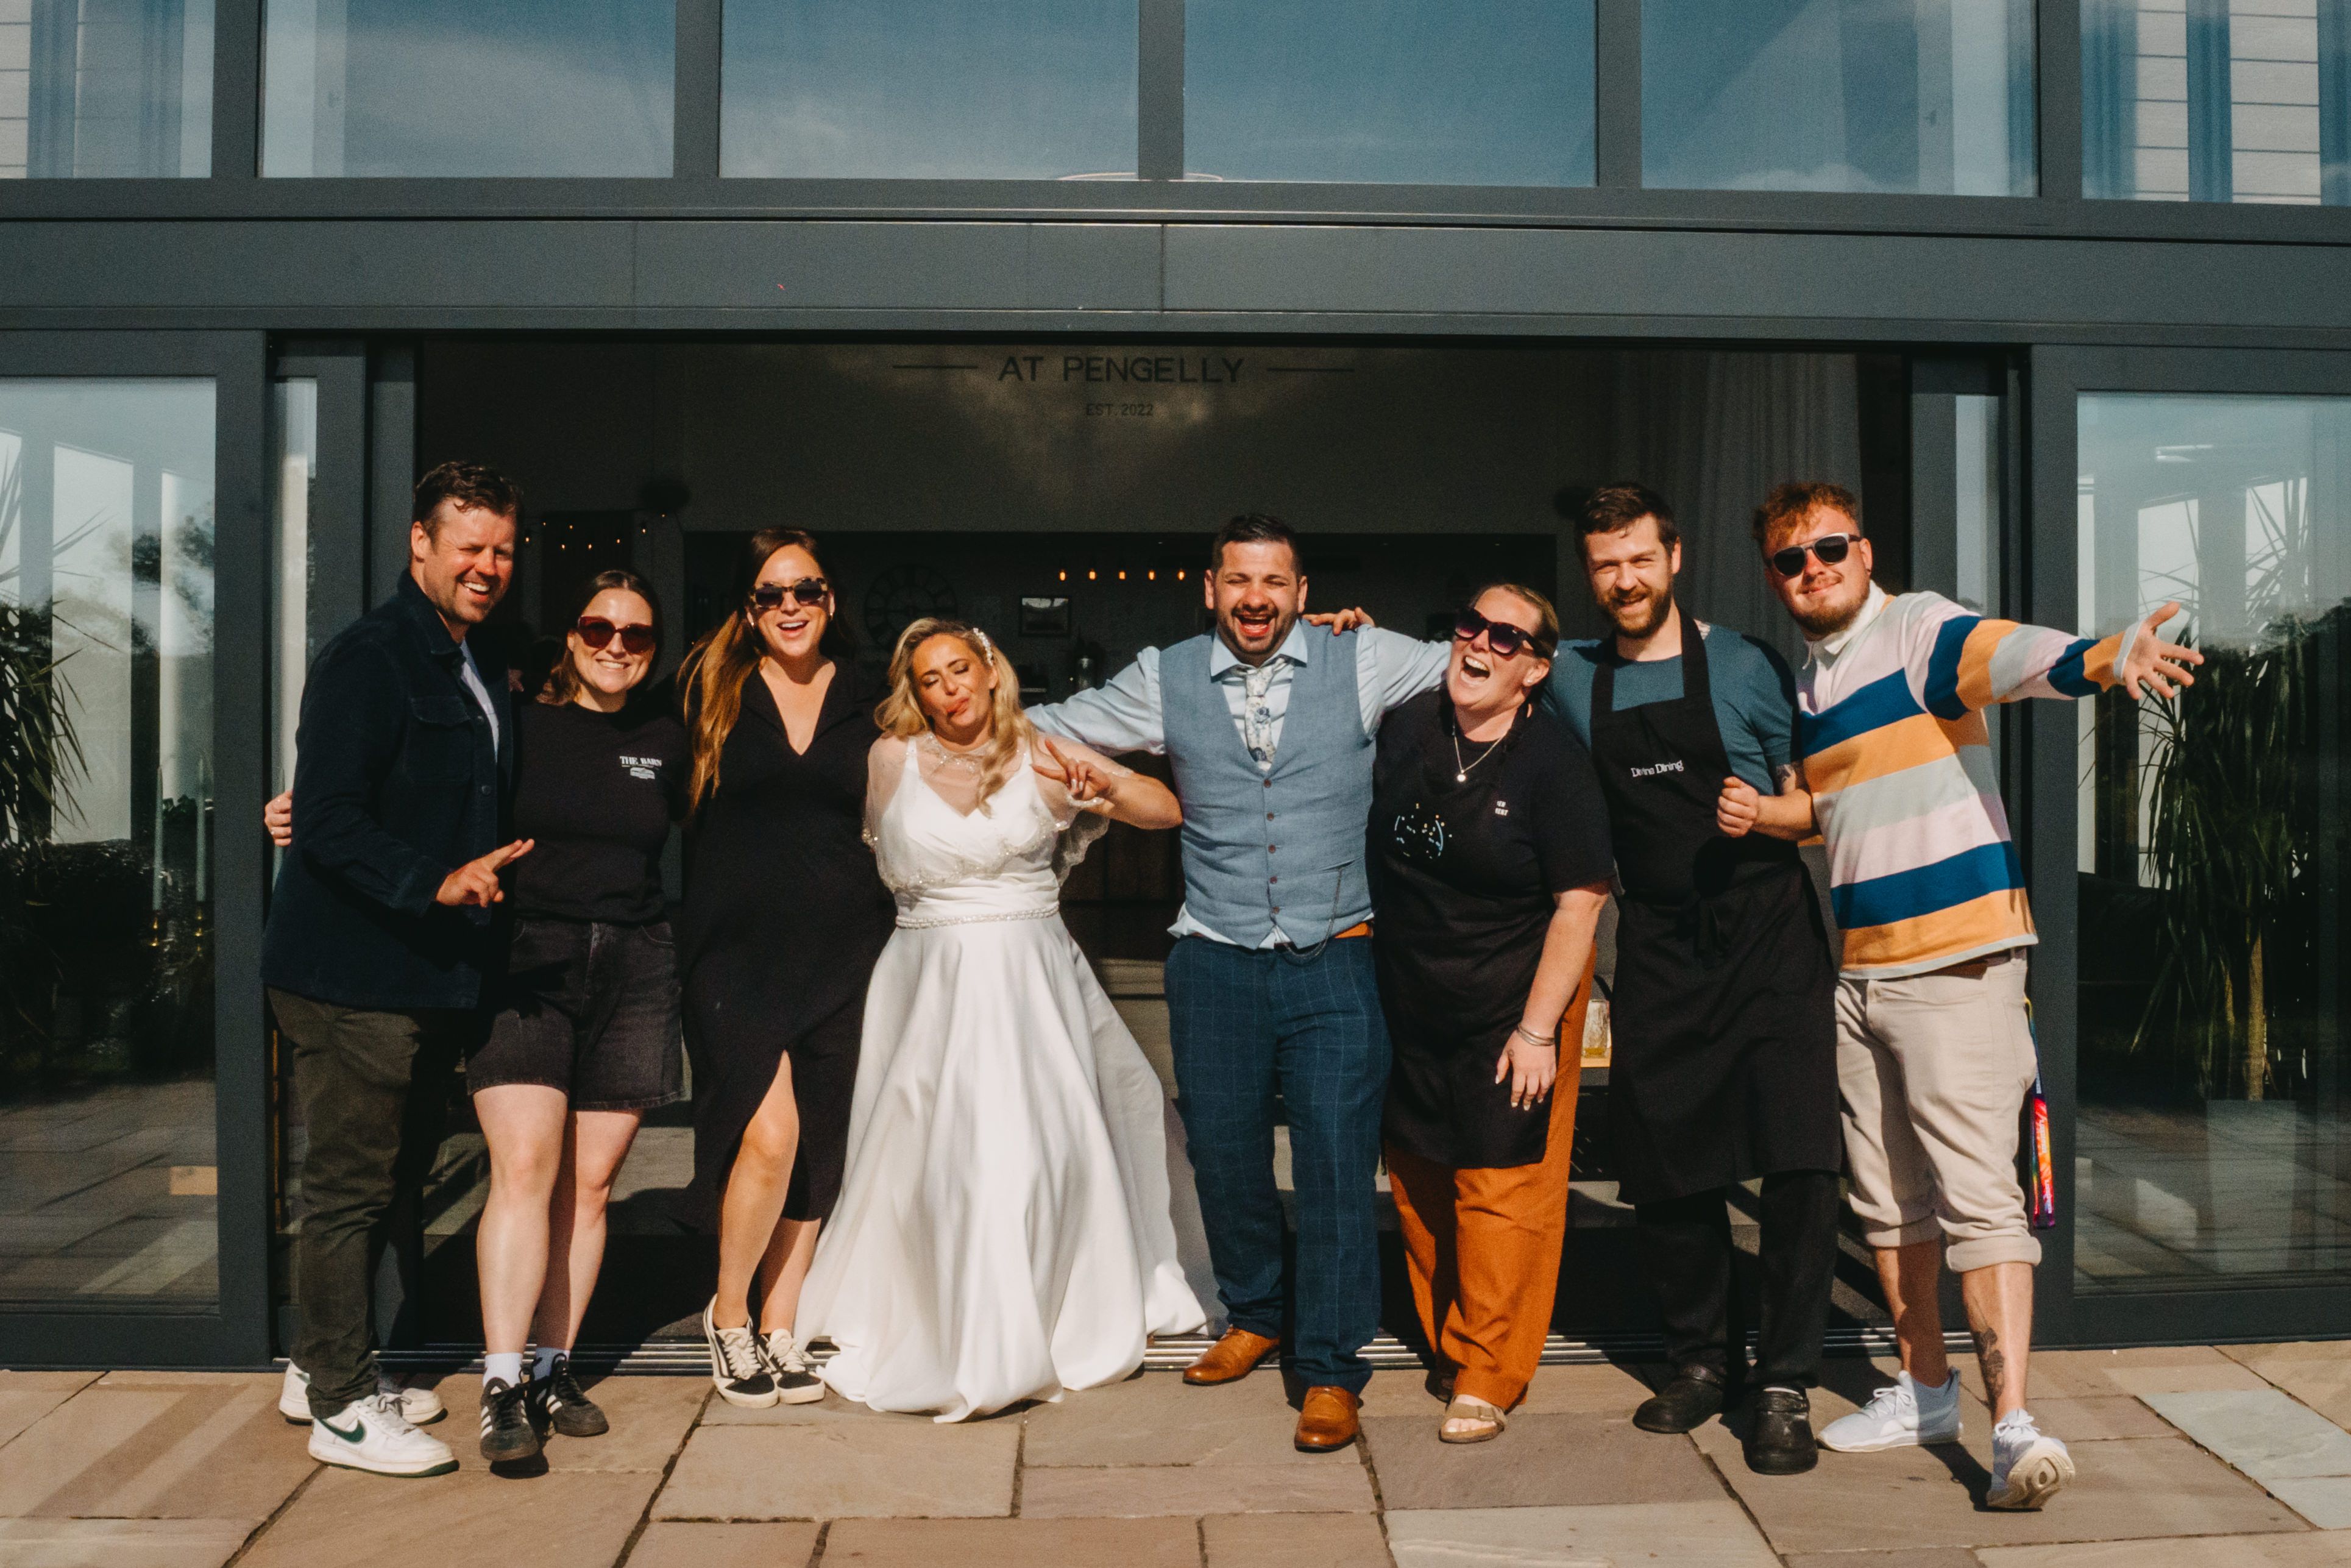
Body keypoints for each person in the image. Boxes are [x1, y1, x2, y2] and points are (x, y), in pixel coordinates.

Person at [1757, 481, 2200, 1509]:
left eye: (1829, 547)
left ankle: (2012, 1428)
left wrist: (2101, 657)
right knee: (1887, 1202)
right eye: (1791, 558)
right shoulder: (1813, 688)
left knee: (1980, 1204)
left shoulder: (1913, 630)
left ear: (1864, 551)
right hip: (1861, 972)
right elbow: (1847, 814)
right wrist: (1761, 814)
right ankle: (1921, 1392)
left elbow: (1997, 654)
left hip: (1957, 967)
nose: (1813, 567)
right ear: (1776, 577)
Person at [1031, 514, 1449, 1454]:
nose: (1254, 598)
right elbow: (1052, 725)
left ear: (1302, 592)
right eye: (1237, 580)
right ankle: (1255, 1312)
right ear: (1210, 588)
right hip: (1212, 954)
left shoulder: (1366, 654)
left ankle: (1332, 1367)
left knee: (1339, 1165)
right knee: (1222, 1154)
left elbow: (1478, 668)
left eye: (1274, 581)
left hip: (1335, 949)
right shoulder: (1163, 673)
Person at [268, 569, 691, 1462]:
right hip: (522, 961)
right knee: (526, 1165)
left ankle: (552, 1365)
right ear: (569, 635)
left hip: (633, 967)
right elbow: (416, 792)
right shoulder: (512, 720)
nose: (616, 644)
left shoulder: (670, 734)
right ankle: (502, 1380)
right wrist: (300, 811)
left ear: (656, 649)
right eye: (597, 625)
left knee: (592, 1181)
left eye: (637, 634)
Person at [795, 619, 1205, 1419]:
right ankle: (932, 1314)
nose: (949, 690)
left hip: (1028, 983)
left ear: (990, 671)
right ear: (915, 693)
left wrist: (1106, 790)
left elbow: (1163, 809)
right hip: (923, 982)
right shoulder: (889, 761)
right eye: (929, 679)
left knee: (1024, 1156)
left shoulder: (1045, 753)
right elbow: (854, 856)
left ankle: (1031, 1319)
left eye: (959, 669)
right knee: (931, 1158)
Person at [1545, 483, 1844, 1475]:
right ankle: (1700, 1362)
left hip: (1766, 933)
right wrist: (1343, 631)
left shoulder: (1746, 667)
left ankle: (1788, 1377)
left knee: (1800, 1156)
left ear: (1673, 557)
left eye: (1638, 558)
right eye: (1604, 564)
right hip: (1662, 942)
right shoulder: (1569, 676)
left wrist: (1764, 812)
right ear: (1588, 574)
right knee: (1671, 1158)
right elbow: (1465, 671)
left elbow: (1819, 803)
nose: (1623, 580)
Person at [260, 461, 528, 1477]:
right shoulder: (370, 656)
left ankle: (316, 1366)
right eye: (468, 545)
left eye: (502, 548)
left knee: (389, 1182)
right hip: (350, 974)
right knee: (348, 1188)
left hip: (419, 980)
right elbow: (324, 815)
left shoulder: (477, 657)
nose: (486, 566)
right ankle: (338, 1406)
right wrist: (437, 882)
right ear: (419, 543)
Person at [1370, 585, 1611, 1444]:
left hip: (1514, 1000)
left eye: (1505, 637)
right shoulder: (1407, 726)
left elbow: (1579, 903)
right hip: (1410, 996)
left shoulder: (1553, 762)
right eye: (1468, 624)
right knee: (1421, 1178)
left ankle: (1489, 1369)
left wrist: (1539, 1028)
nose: (1478, 642)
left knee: (1502, 1186)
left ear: (1535, 668)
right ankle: (1449, 1340)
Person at [677, 529, 896, 1408]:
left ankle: (780, 1321)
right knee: (769, 1137)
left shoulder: (872, 695)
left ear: (831, 600)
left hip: (848, 949)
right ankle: (727, 1316)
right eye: (771, 594)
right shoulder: (708, 689)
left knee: (822, 1149)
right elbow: (596, 733)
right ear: (748, 609)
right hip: (732, 953)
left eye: (806, 589)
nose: (791, 606)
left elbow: (967, 730)